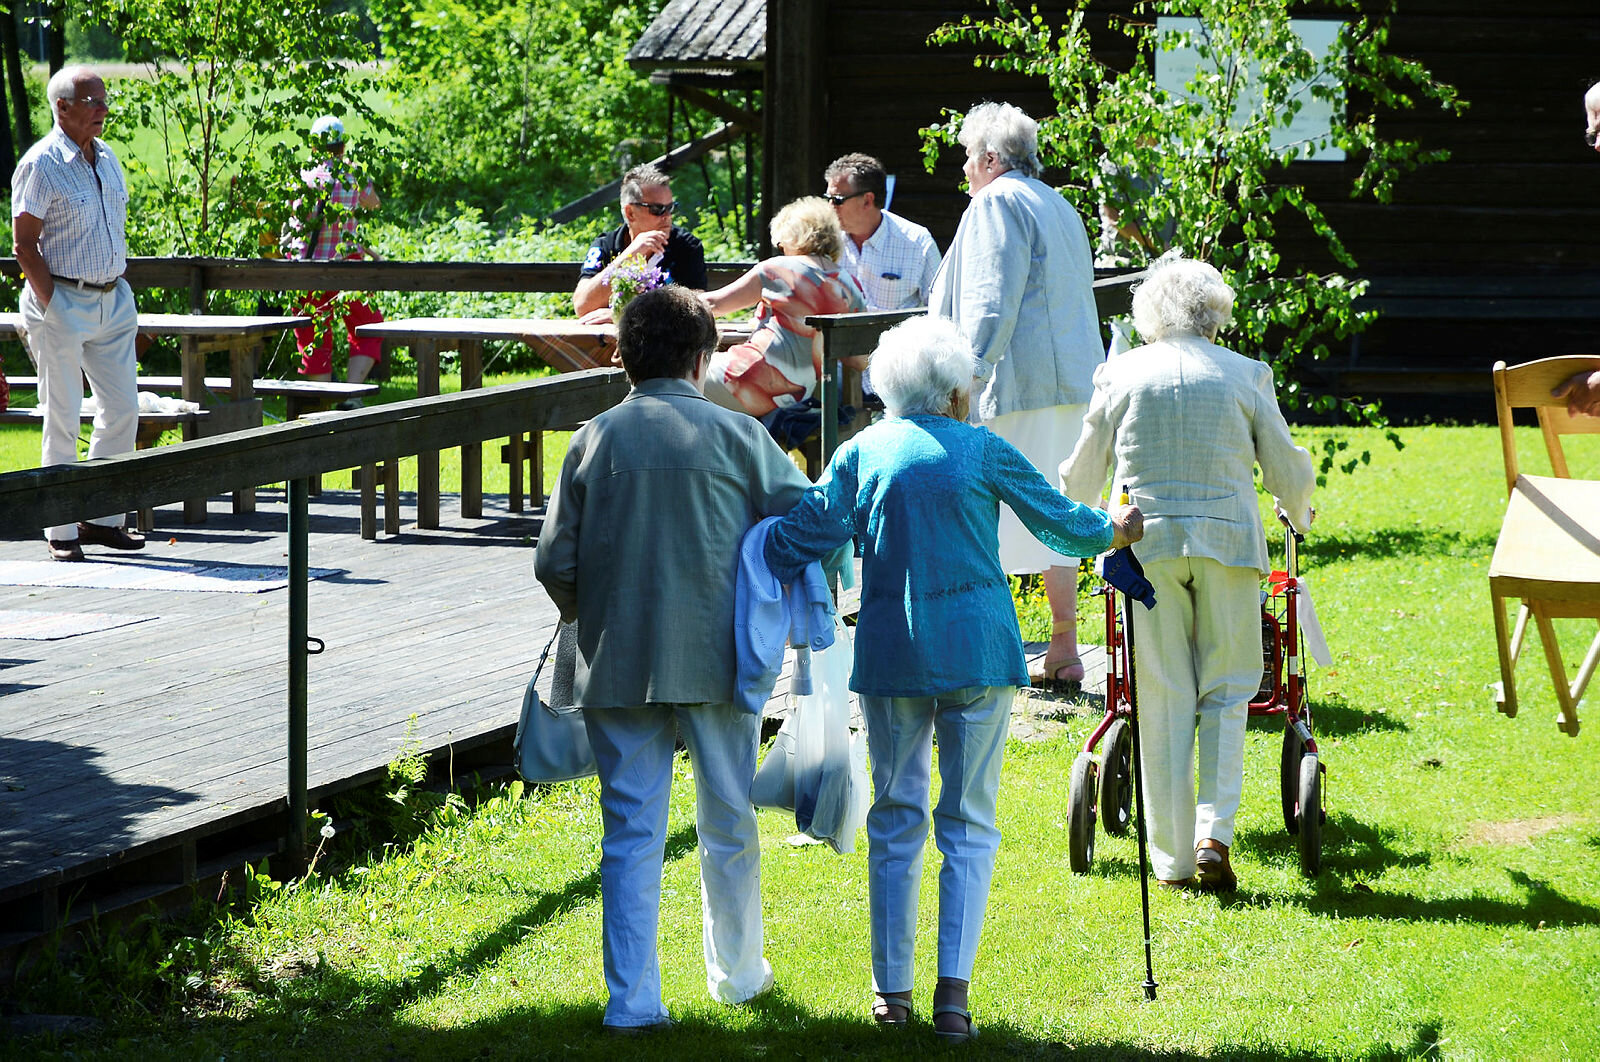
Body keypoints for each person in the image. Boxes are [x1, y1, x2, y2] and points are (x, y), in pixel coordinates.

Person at [763, 315, 1143, 1041]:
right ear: (956, 393)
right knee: (968, 823)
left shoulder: (860, 452)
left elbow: (798, 539)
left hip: (895, 653)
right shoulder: (980, 449)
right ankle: (954, 999)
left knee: (895, 819)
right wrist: (1117, 527)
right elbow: (1062, 523)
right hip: (977, 652)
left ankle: (890, 994)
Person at [534, 285, 809, 1034]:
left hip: (618, 655)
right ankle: (740, 977)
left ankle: (631, 1001)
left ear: (623, 356)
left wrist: (589, 611)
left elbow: (554, 560)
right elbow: (807, 520)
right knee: (729, 819)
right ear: (701, 359)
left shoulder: (594, 438)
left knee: (629, 831)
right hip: (719, 651)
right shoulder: (739, 436)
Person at [1060, 258, 1316, 892]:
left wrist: (1084, 515)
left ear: (1150, 313)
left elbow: (1081, 473)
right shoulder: (1245, 374)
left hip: (1145, 546)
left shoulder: (1119, 374)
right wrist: (1300, 505)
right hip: (1229, 545)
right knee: (1229, 691)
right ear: (1216, 312)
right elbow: (1286, 466)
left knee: (1165, 695)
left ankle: (1171, 862)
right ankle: (1213, 836)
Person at [929, 101, 1106, 694]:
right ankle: (1062, 646)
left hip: (1017, 385)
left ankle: (995, 648)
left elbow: (990, 296)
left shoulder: (995, 202)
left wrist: (965, 377)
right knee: (1057, 508)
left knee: (988, 514)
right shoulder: (1059, 204)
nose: (964, 174)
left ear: (989, 158)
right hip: (1072, 383)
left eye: (966, 160)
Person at [12, 65, 143, 561]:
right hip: (63, 302)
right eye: (91, 101)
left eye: (103, 100)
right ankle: (60, 529)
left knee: (122, 410)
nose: (102, 110)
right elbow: (24, 245)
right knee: (63, 415)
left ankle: (103, 518)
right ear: (61, 107)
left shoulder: (106, 157)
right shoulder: (41, 163)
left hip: (112, 299)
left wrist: (117, 291)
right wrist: (56, 304)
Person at [701, 196, 867, 418]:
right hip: (796, 395)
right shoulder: (849, 285)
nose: (781, 249)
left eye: (781, 243)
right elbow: (859, 360)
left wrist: (657, 302)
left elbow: (712, 305)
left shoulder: (779, 268)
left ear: (794, 236)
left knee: (669, 379)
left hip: (746, 380)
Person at [282, 115, 384, 395]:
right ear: (342, 145)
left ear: (314, 146)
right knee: (369, 324)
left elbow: (294, 216)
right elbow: (373, 203)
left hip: (306, 269)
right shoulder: (353, 174)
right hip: (347, 267)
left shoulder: (303, 176)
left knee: (313, 335)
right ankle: (351, 394)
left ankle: (322, 402)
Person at [574, 164, 708, 322]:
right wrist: (630, 254)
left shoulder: (686, 246)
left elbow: (697, 308)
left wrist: (625, 315)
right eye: (657, 209)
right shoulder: (605, 245)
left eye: (670, 208)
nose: (667, 216)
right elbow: (582, 306)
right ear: (630, 213)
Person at [823, 153, 942, 310]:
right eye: (828, 198)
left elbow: (941, 310)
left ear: (867, 200)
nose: (830, 207)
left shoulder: (918, 242)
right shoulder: (823, 240)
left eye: (837, 200)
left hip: (895, 334)